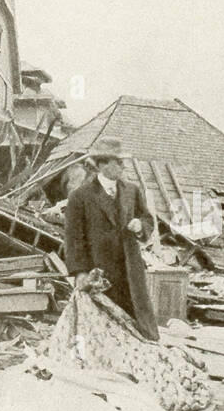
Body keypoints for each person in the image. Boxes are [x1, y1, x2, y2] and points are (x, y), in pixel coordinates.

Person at [63, 139, 158, 341]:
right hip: (100, 272)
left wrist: (141, 226)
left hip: (130, 269)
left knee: (137, 323)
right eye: (119, 161)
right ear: (102, 164)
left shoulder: (132, 190)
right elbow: (73, 239)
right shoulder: (80, 196)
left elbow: (148, 219)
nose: (124, 166)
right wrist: (79, 272)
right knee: (102, 329)